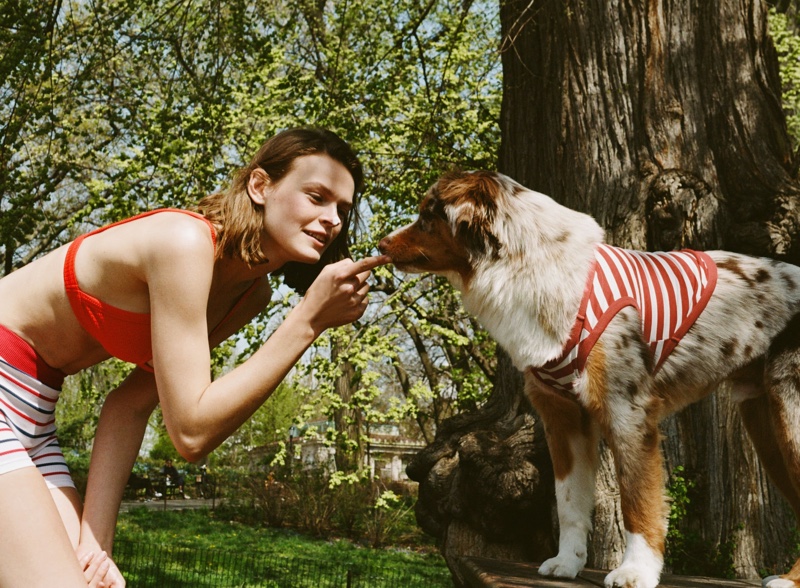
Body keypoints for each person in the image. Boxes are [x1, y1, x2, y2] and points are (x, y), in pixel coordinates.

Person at [0, 127, 389, 587]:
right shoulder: (183, 242)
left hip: (36, 411)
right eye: (317, 196)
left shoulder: (249, 295)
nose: (333, 220)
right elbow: (189, 432)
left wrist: (96, 546)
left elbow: (128, 406)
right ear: (261, 186)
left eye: (343, 209)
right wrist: (307, 320)